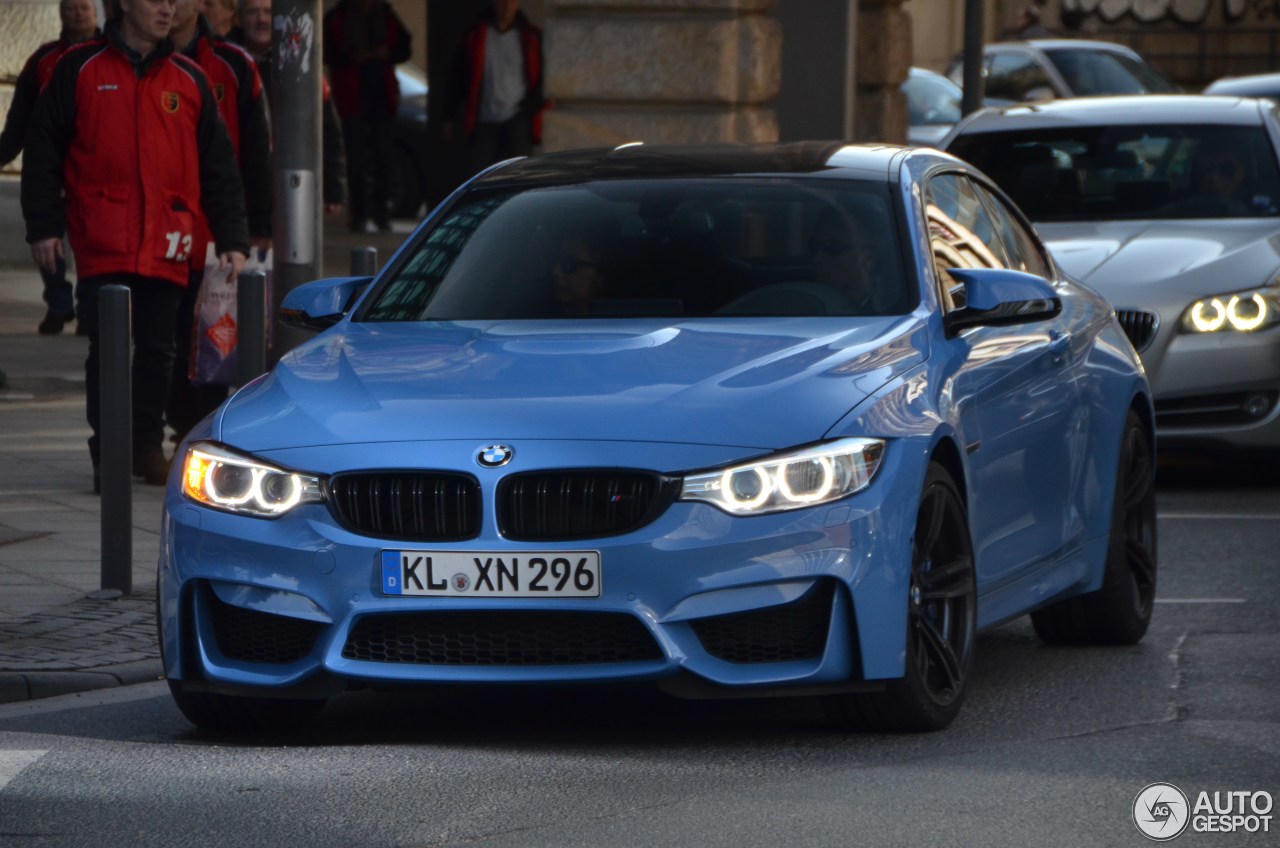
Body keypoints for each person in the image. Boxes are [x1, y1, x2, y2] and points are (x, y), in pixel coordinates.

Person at [21, 0, 250, 491]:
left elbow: (219, 167)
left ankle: (146, 446)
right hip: (103, 239)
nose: (167, 10)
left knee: (158, 349)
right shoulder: (79, 68)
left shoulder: (187, 80)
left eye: (173, 2)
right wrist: (43, 225)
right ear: (124, 4)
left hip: (168, 241)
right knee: (106, 349)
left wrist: (232, 237)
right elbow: (43, 151)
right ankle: (108, 451)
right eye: (155, 1)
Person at [166, 0, 272, 443]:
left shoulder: (234, 65)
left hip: (216, 233)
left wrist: (258, 226)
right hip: (163, 231)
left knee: (213, 339)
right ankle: (169, 428)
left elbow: (254, 153)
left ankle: (202, 432)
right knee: (164, 341)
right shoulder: (138, 62)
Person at [0, 0, 100, 336]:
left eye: (84, 7)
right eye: (71, 7)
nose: (77, 13)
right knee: (47, 240)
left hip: (91, 171)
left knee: (91, 245)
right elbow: (21, 120)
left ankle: (89, 309)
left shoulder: (108, 57)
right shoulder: (43, 61)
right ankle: (59, 304)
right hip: (51, 169)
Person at [232, 0, 347, 214]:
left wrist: (334, 189)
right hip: (236, 186)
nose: (262, 19)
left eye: (268, 12)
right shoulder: (224, 61)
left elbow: (328, 131)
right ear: (238, 18)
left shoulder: (302, 61)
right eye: (253, 12)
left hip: (288, 188)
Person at [323, 0, 411, 232]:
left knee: (384, 156)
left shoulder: (386, 15)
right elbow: (326, 51)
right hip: (351, 97)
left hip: (381, 97)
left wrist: (386, 53)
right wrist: (351, 56)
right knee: (354, 159)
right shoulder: (337, 18)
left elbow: (405, 46)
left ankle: (381, 213)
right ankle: (359, 214)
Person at [443, 0, 546, 175]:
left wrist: (531, 106)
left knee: (520, 174)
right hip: (485, 117)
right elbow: (458, 75)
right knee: (481, 175)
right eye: (502, 2)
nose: (507, 7)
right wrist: (448, 114)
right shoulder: (476, 35)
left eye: (511, 2)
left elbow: (541, 75)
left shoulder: (530, 36)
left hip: (517, 115)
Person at [809, 207, 894, 313]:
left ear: (868, 257)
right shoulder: (802, 306)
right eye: (813, 248)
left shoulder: (891, 312)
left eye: (831, 248)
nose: (817, 259)